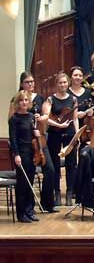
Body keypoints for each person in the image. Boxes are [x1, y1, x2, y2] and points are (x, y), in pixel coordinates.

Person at [18, 73, 56, 213]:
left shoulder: (40, 98)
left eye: (32, 81)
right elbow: (12, 119)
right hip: (26, 141)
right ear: (22, 84)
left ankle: (47, 203)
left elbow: (47, 115)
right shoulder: (18, 99)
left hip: (40, 139)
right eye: (27, 82)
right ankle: (29, 207)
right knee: (29, 173)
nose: (30, 84)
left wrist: (42, 117)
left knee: (50, 170)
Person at [45, 72, 78, 206]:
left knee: (71, 163)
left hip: (69, 133)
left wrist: (77, 135)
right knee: (55, 164)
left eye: (64, 82)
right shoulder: (50, 99)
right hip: (54, 133)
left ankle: (69, 193)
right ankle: (57, 192)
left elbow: (75, 118)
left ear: (68, 83)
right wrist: (59, 125)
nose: (62, 85)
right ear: (56, 84)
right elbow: (46, 118)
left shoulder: (73, 99)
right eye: (60, 82)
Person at [9, 91, 40, 222]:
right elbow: (13, 139)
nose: (24, 102)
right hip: (21, 153)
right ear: (17, 103)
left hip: (32, 152)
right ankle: (21, 214)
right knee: (22, 184)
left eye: (26, 100)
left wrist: (36, 133)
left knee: (30, 182)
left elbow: (33, 135)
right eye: (22, 100)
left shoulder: (31, 116)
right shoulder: (14, 119)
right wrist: (16, 154)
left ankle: (29, 210)